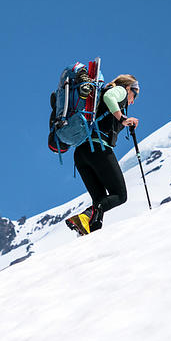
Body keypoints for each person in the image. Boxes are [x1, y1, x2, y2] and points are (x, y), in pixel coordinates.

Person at [65, 75, 140, 235]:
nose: (133, 100)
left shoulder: (111, 105)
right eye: (135, 94)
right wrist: (123, 118)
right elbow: (109, 97)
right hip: (98, 149)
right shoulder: (119, 90)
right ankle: (87, 219)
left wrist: (123, 122)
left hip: (81, 154)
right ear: (128, 88)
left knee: (99, 202)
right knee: (120, 195)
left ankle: (90, 236)